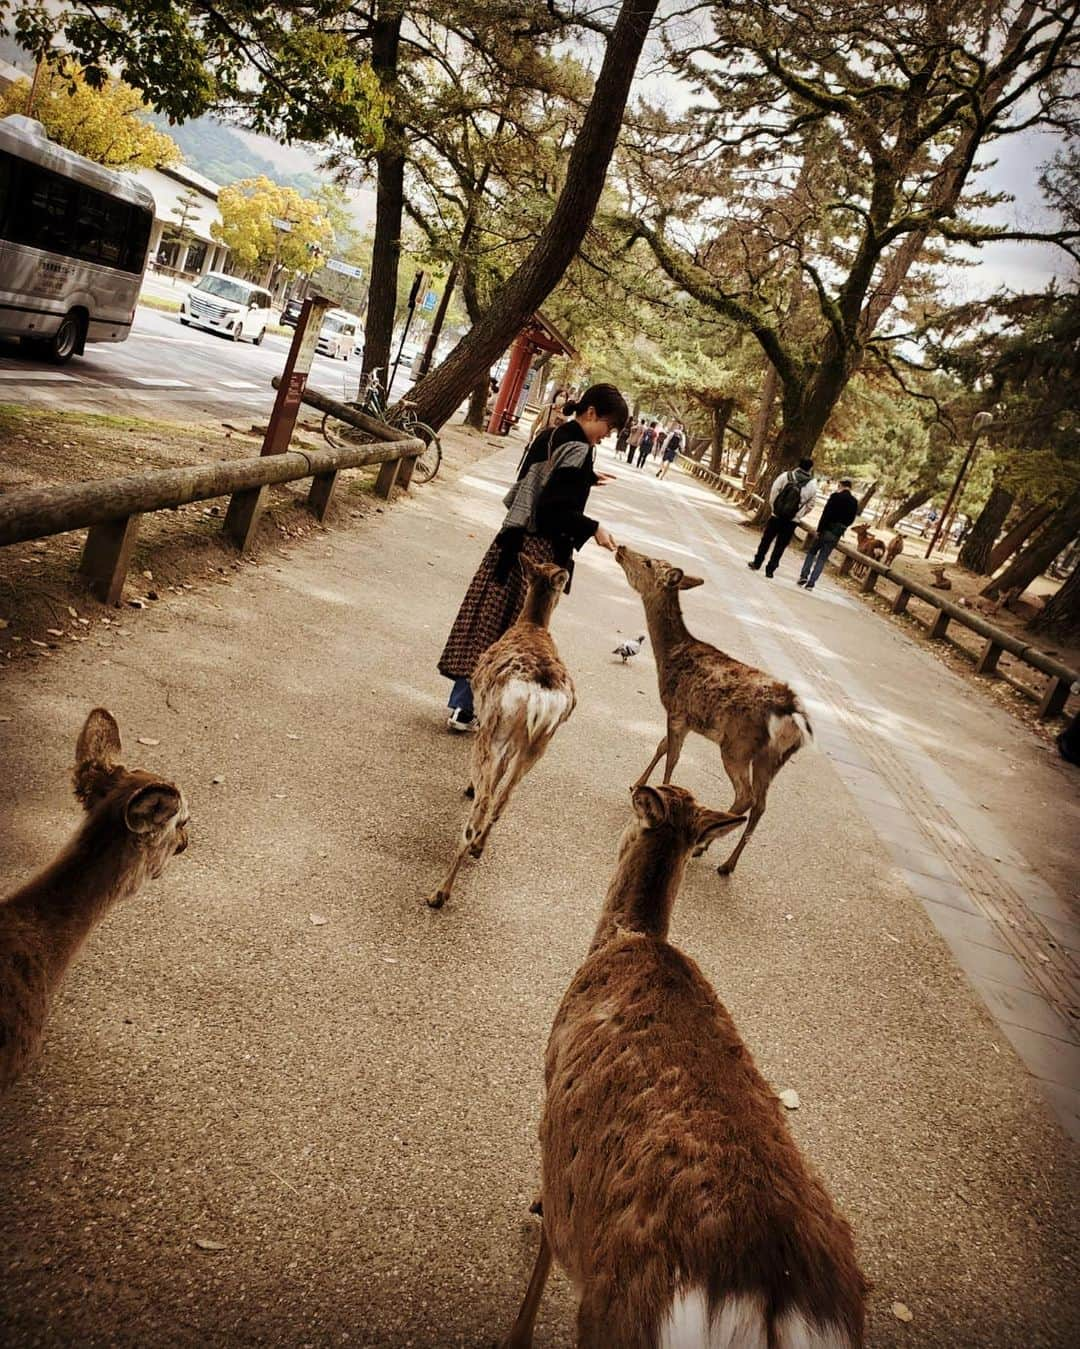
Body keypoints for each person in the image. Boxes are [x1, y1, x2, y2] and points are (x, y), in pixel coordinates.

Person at [438, 384, 628, 731]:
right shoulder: (580, 449)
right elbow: (554, 509)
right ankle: (476, 710)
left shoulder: (552, 434)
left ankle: (463, 706)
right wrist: (594, 527)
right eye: (608, 427)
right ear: (590, 414)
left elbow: (532, 484)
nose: (606, 436)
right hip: (536, 554)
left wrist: (585, 479)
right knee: (515, 631)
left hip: (510, 541)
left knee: (488, 623)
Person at [748, 457, 818, 577]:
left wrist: (775, 508)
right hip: (792, 521)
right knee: (781, 545)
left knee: (766, 540)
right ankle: (770, 569)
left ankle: (757, 562)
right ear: (810, 468)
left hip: (776, 516)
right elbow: (811, 505)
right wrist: (799, 514)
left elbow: (774, 491)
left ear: (798, 465)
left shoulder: (786, 476)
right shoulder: (812, 484)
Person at [797, 477, 858, 590]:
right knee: (822, 558)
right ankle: (811, 583)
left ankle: (804, 576)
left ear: (841, 485)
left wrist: (819, 529)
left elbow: (826, 514)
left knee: (812, 552)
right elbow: (851, 520)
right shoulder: (854, 502)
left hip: (826, 529)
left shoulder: (835, 497)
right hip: (836, 533)